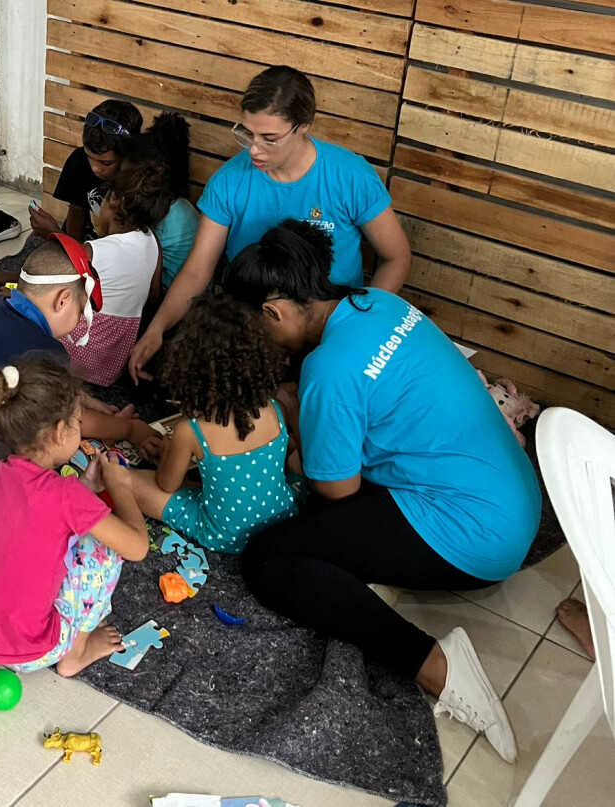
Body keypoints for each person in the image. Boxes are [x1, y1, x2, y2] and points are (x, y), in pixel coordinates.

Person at [226, 219, 540, 764]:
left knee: (269, 558)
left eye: (256, 327)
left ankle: (435, 664)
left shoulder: (330, 366)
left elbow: (336, 492)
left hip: (474, 535)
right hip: (512, 495)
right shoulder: (375, 302)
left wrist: (287, 446)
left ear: (273, 312)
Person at [129, 65, 411, 383]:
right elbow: (198, 270)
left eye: (269, 138)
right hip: (254, 328)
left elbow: (396, 257)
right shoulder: (229, 181)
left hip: (327, 329)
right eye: (247, 133)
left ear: (303, 125)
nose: (254, 149)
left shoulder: (349, 176)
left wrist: (355, 328)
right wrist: (157, 328)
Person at [0, 359, 150, 676]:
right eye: (78, 422)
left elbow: (42, 518)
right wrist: (121, 487)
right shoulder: (65, 497)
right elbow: (137, 547)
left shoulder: (0, 473)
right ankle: (77, 652)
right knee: (103, 551)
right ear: (60, 432)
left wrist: (85, 487)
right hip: (30, 650)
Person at [0, 238, 162, 492]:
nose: (81, 321)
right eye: (82, 311)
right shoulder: (47, 351)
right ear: (62, 300)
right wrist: (129, 429)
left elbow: (9, 374)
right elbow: (74, 423)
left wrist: (82, 397)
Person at [129, 296, 302, 553]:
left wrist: (167, 452)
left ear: (189, 367)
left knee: (129, 481)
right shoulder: (276, 408)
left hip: (225, 534)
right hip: (279, 516)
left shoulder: (190, 431)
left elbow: (167, 485)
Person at [62, 160, 170, 386]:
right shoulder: (153, 242)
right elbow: (153, 299)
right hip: (114, 361)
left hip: (77, 357)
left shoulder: (93, 250)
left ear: (112, 199)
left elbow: (57, 291)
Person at [30, 99, 143, 242]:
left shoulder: (138, 183)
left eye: (106, 163)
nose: (95, 168)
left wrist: (54, 232)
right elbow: (76, 212)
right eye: (90, 157)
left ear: (126, 157)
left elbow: (118, 249)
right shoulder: (78, 161)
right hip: (86, 245)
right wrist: (68, 246)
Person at [119, 112, 199, 290]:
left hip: (172, 302)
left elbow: (120, 268)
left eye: (126, 179)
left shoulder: (158, 217)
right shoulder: (178, 206)